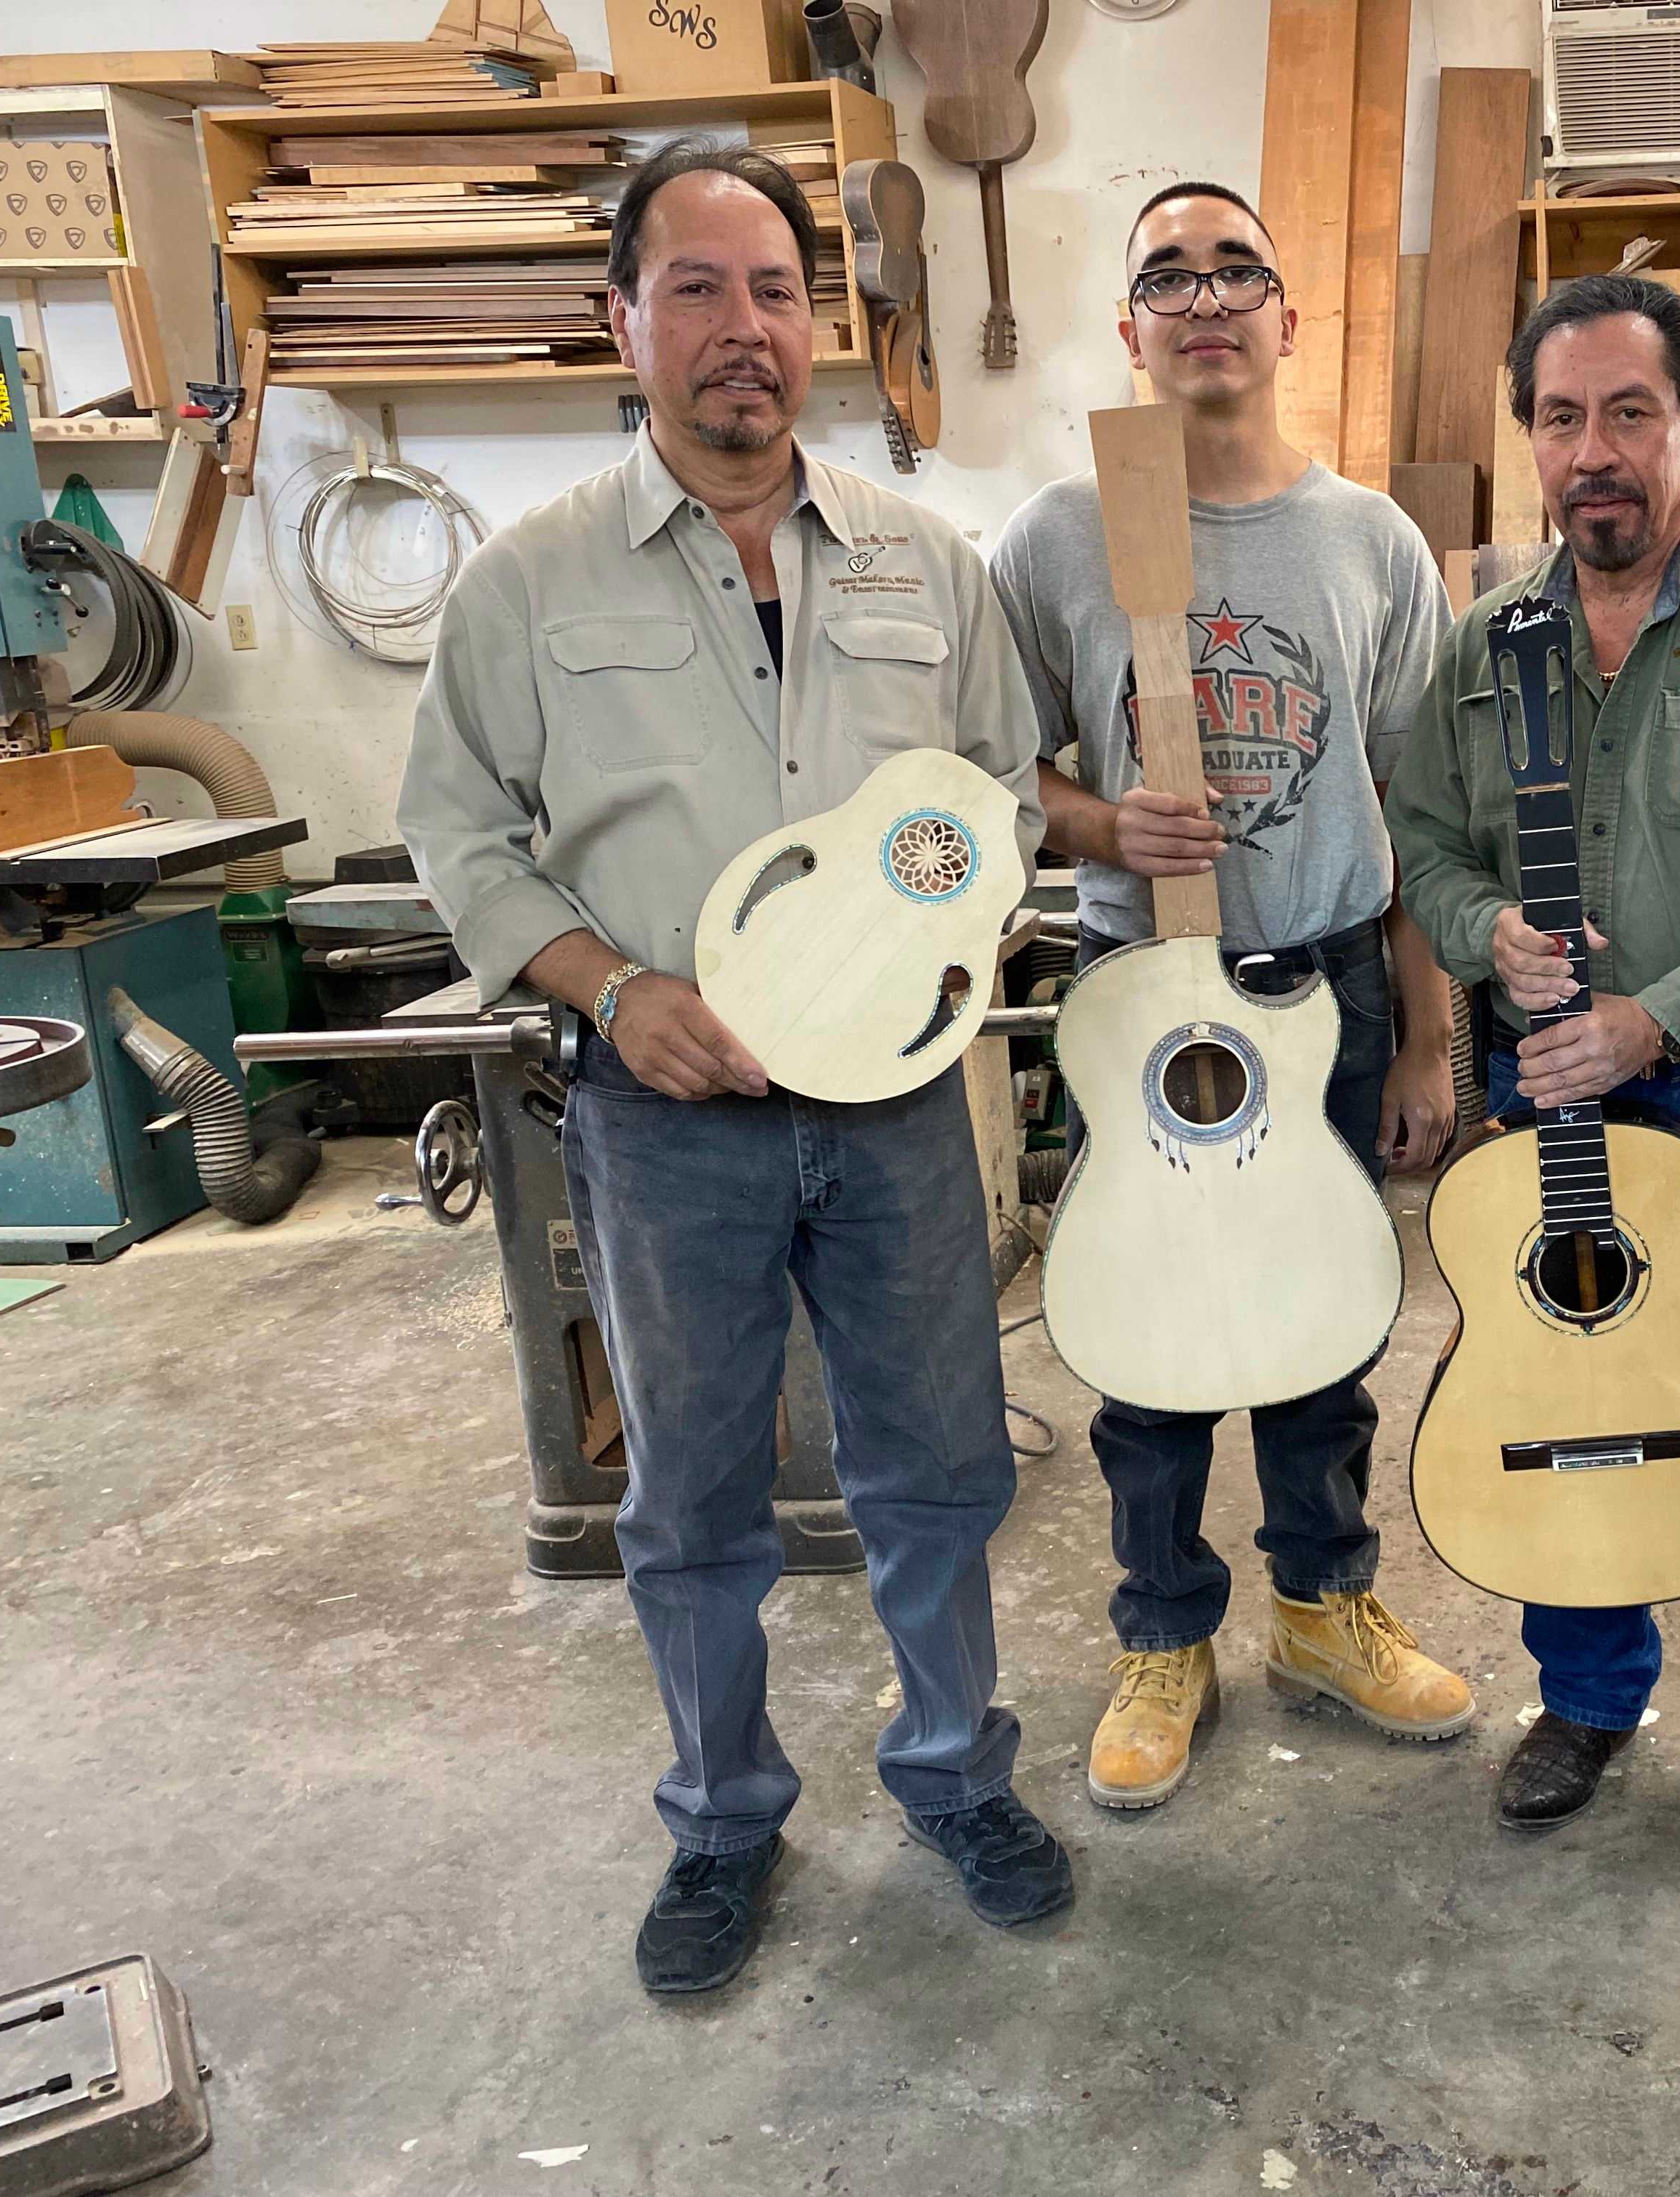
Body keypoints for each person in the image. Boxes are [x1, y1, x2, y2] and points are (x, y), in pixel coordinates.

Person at [399, 141, 1073, 1995]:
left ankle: (951, 1772)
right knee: (690, 1493)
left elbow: (996, 800)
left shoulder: (927, 564)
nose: (742, 330)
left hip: (897, 1117)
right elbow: (461, 839)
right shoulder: (527, 585)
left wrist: (943, 941)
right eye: (694, 288)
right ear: (623, 324)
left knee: (936, 1461)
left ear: (817, 326)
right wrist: (615, 989)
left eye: (775, 290)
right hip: (664, 1111)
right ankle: (720, 1819)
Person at [989, 180, 1473, 1815]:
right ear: (1129, 327)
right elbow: (997, 772)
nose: (1204, 298)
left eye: (1236, 271)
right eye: (1166, 277)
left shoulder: (1371, 541)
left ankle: (1326, 1608)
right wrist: (1103, 822)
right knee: (1144, 1331)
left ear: (1286, 319)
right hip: (1144, 992)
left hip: (1326, 978)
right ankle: (1163, 1630)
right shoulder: (1060, 536)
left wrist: (1424, 1027)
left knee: (1324, 1320)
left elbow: (1423, 802)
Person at [1386, 271, 1680, 1882]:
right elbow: (1433, 851)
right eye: (1560, 417)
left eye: (1630, 413)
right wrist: (1487, 937)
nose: (1594, 451)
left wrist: (1657, 1017)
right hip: (1545, 1105)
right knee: (1556, 1385)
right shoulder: (1483, 648)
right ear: (1532, 438)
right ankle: (1590, 1698)